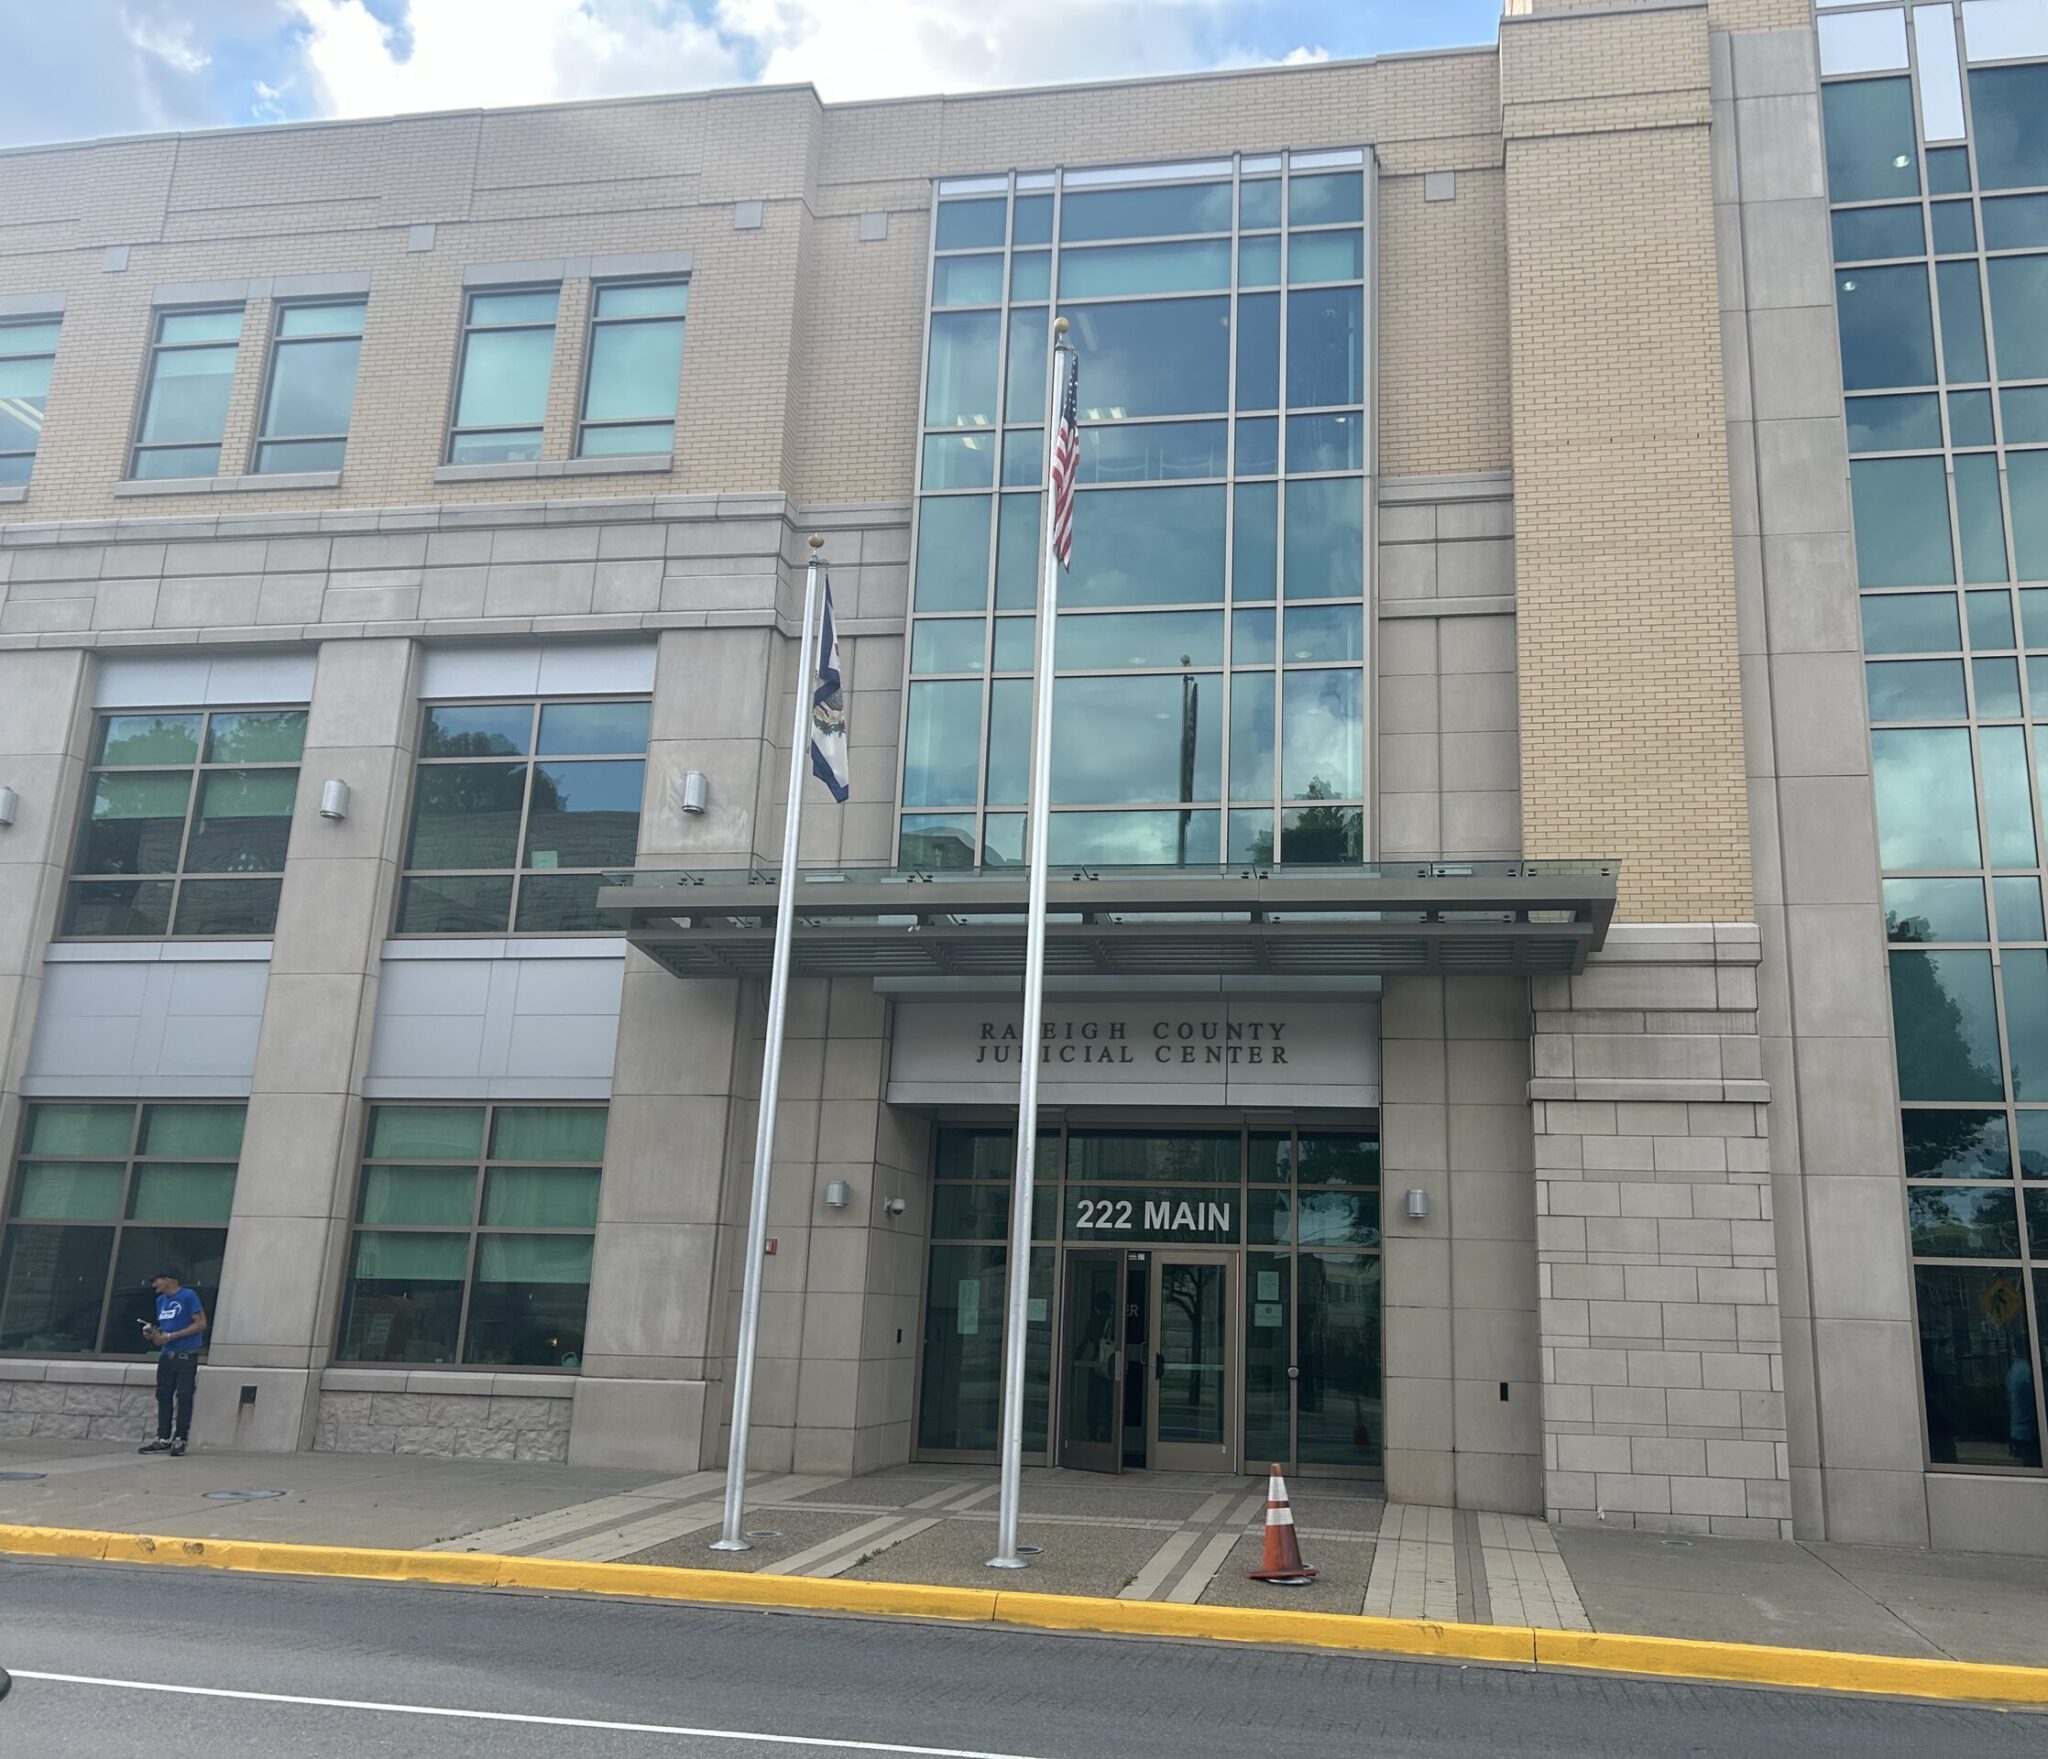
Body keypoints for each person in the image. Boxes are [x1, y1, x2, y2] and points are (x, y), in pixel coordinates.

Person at [137, 1270, 207, 1457]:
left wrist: (171, 1336)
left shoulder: (188, 1296)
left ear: (168, 1280)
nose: (154, 1285)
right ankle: (163, 1438)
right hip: (166, 1355)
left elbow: (200, 1323)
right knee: (163, 1395)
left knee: (184, 1395)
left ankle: (180, 1438)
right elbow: (165, 1328)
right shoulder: (161, 1301)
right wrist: (154, 1334)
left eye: (157, 1281)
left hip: (186, 1354)